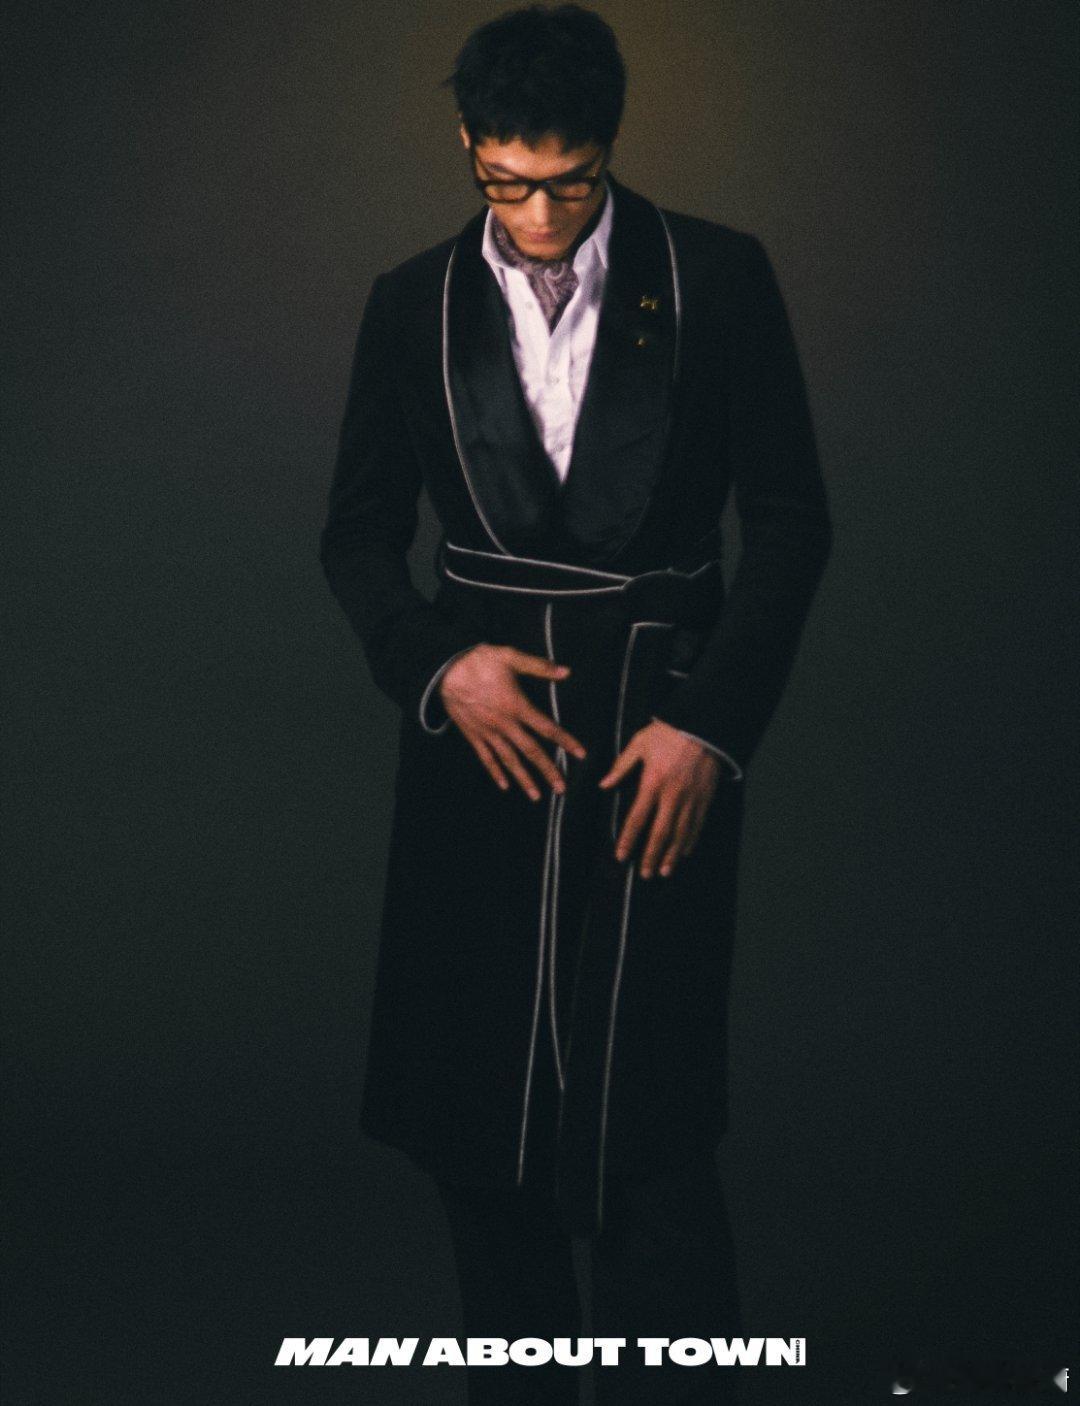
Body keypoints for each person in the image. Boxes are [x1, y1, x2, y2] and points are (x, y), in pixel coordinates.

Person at [319, 5, 833, 1401]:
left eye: (573, 182)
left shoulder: (716, 277)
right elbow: (357, 535)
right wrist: (438, 667)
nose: (541, 218)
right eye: (507, 183)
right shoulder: (410, 303)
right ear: (466, 145)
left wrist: (712, 725)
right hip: (479, 751)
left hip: (654, 736)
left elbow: (790, 520)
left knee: (647, 1131)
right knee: (479, 1132)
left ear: (610, 145)